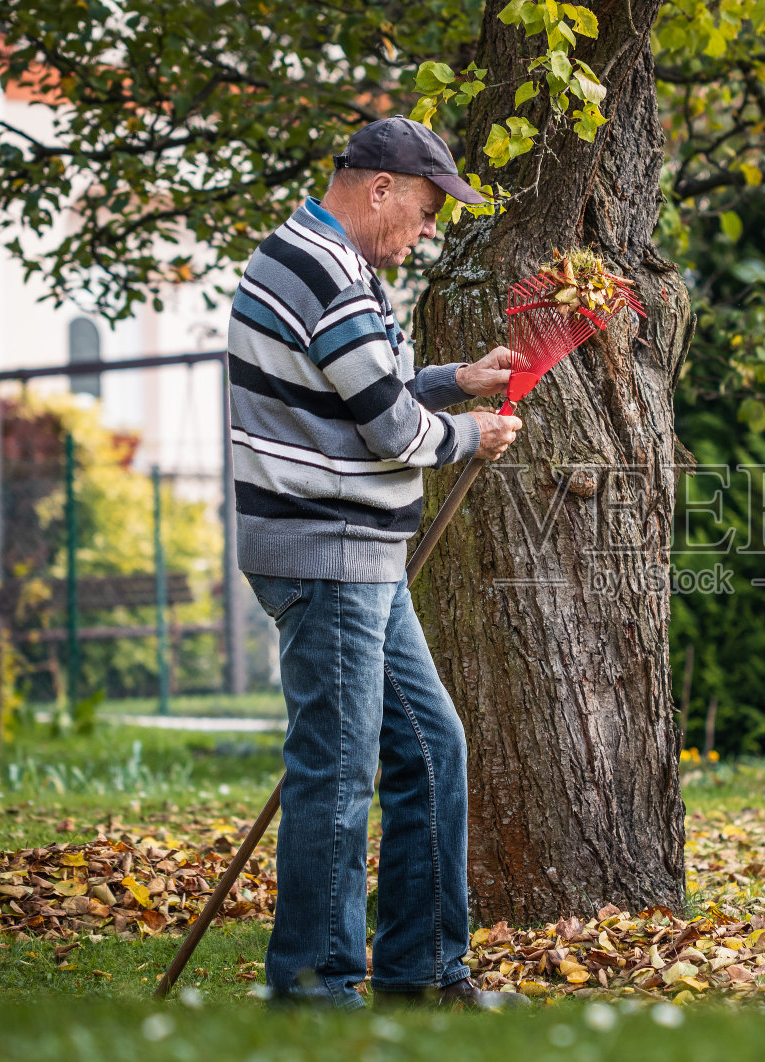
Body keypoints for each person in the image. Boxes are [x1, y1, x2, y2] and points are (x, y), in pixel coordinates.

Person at [227, 116, 526, 1010]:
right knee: (339, 769)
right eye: (427, 211)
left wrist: (456, 380)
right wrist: (473, 434)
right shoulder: (326, 272)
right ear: (381, 189)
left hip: (358, 556)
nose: (428, 230)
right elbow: (393, 432)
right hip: (332, 554)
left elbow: (364, 387)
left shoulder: (321, 261)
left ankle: (424, 971)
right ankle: (316, 989)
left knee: (431, 749)